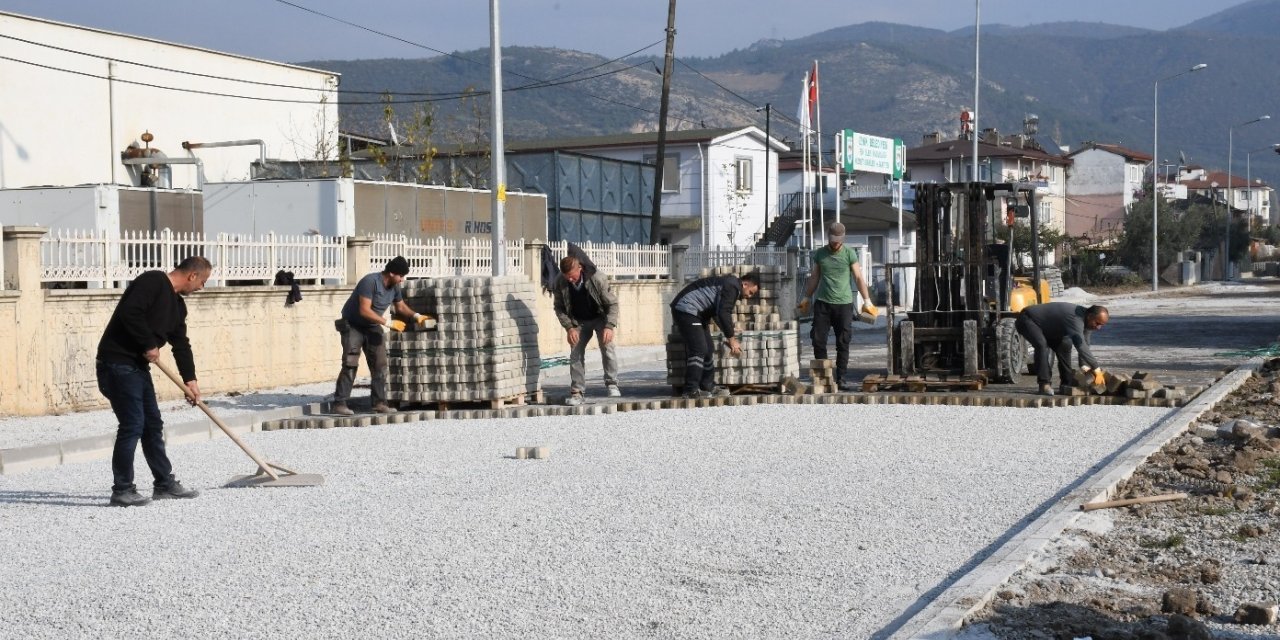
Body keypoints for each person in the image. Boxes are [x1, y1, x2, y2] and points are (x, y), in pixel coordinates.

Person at [97, 256, 212, 507]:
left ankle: (164, 484)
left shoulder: (178, 306)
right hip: (116, 364)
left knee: (152, 425)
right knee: (133, 424)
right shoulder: (152, 281)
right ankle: (122, 489)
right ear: (192, 275)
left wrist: (190, 380)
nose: (202, 287)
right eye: (203, 281)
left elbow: (181, 344)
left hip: (137, 367)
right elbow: (130, 313)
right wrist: (148, 343)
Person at [332, 256, 430, 416]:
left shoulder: (394, 286)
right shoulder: (370, 282)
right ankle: (339, 404)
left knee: (380, 364)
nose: (402, 279)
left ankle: (379, 403)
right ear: (391, 273)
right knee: (350, 363)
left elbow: (400, 307)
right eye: (400, 276)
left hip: (372, 326)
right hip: (353, 325)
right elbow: (364, 310)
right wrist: (388, 323)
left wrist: (416, 316)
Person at [797, 221, 876, 391]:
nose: (835, 242)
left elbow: (858, 277)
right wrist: (806, 297)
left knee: (843, 341)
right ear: (829, 237)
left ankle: (841, 378)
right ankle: (824, 379)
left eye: (838, 240)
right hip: (823, 304)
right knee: (818, 340)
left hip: (844, 304)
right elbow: (814, 277)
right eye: (833, 239)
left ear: (843, 238)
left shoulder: (850, 254)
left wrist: (867, 300)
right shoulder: (820, 254)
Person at [669, 272, 760, 399]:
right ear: (745, 284)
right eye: (750, 292)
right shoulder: (733, 286)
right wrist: (732, 340)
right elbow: (724, 313)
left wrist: (731, 329)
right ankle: (690, 389)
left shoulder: (730, 285)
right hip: (686, 309)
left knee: (708, 349)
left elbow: (718, 313)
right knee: (699, 349)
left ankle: (707, 386)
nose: (749, 297)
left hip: (697, 314)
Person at [552, 255, 621, 405]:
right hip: (578, 321)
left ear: (580, 269)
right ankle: (577, 392)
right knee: (575, 352)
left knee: (607, 347)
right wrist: (569, 327)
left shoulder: (598, 279)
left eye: (572, 276)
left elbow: (612, 304)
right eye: (567, 277)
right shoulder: (560, 281)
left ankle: (612, 383)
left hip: (600, 317)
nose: (570, 280)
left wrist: (609, 326)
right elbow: (559, 307)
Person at [1015, 302, 1110, 396]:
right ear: (1090, 316)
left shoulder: (1088, 322)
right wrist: (1096, 368)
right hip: (1028, 319)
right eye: (1097, 323)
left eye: (1101, 325)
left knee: (1065, 345)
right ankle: (1044, 384)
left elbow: (1084, 343)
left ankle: (1066, 383)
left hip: (1049, 327)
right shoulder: (1075, 318)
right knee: (1042, 346)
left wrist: (1084, 365)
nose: (1098, 328)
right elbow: (1080, 346)